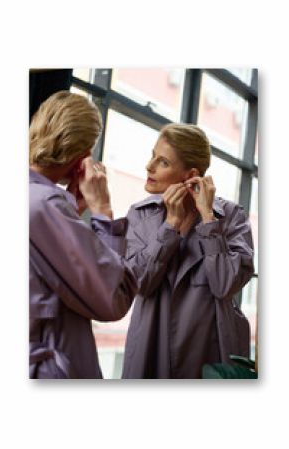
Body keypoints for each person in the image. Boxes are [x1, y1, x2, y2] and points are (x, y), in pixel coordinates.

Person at [122, 123, 254, 379]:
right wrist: (170, 225)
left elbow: (226, 285)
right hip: (152, 341)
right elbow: (139, 283)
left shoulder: (232, 217)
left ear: (190, 174)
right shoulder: (140, 215)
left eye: (162, 162)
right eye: (152, 156)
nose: (149, 166)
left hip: (209, 348)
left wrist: (208, 219)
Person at [29, 91, 137, 379]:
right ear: (82, 155)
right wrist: (102, 211)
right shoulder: (44, 206)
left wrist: (69, 215)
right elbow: (113, 298)